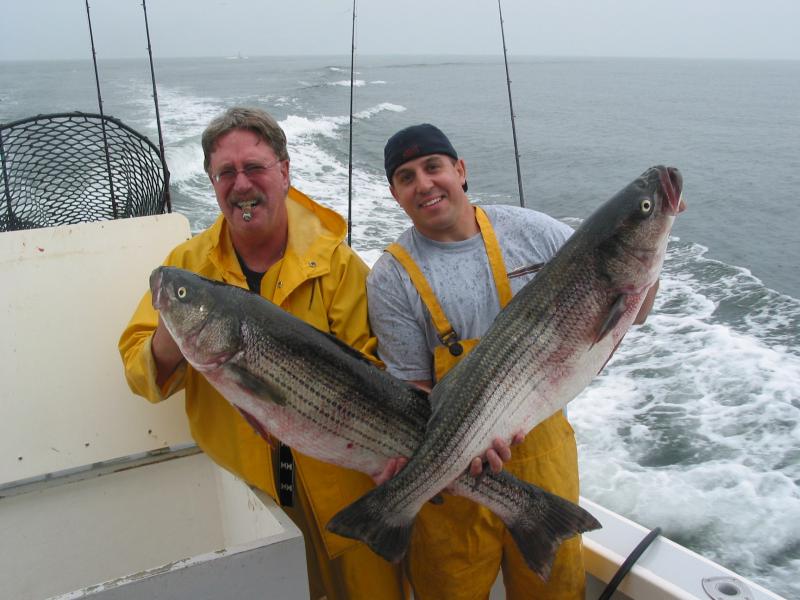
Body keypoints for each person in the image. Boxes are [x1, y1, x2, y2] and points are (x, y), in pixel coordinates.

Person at [119, 107, 407, 600]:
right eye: (225, 173)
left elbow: (376, 370)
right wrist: (175, 328)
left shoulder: (337, 265)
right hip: (252, 499)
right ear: (212, 183)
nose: (241, 184)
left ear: (285, 171)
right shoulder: (187, 267)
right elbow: (139, 375)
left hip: (348, 486)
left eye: (254, 167)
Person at [367, 123, 658, 599]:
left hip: (544, 459)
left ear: (461, 170)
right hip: (453, 480)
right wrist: (466, 441)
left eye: (433, 167)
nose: (423, 183)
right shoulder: (390, 277)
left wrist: (654, 241)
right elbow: (414, 389)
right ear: (395, 195)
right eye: (406, 177)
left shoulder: (534, 231)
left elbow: (633, 308)